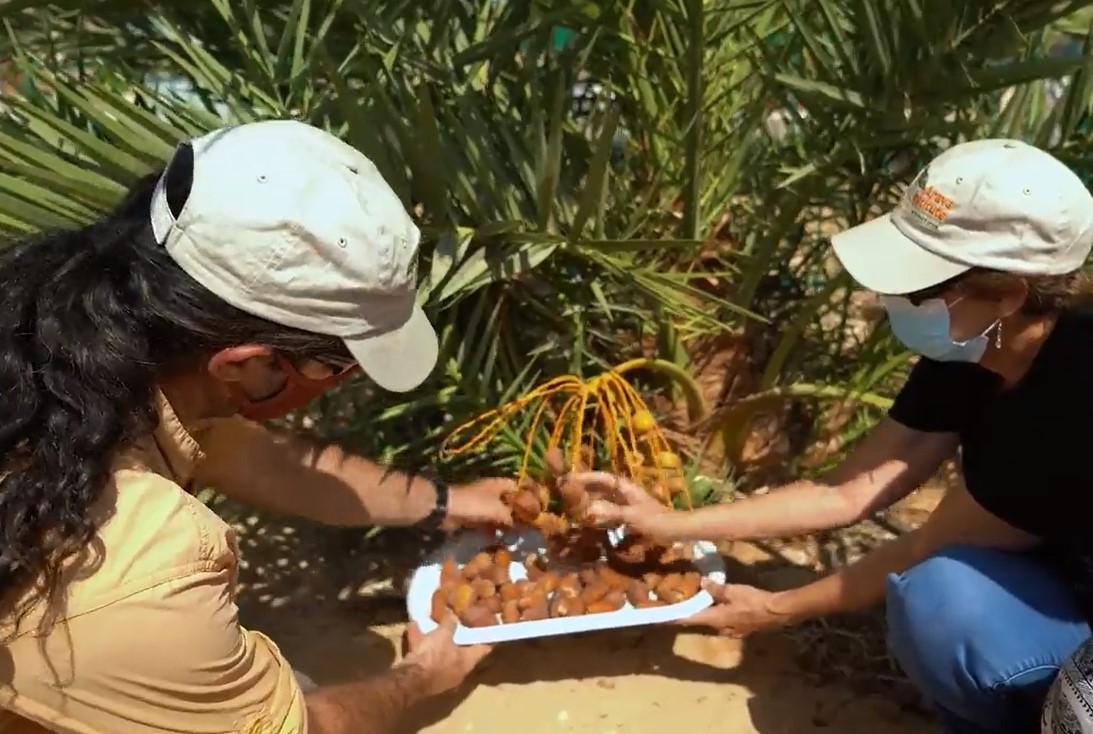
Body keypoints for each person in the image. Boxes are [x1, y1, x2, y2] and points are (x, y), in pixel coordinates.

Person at [0, 120, 515, 734]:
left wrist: (445, 503)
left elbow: (265, 461)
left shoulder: (75, 355)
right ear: (251, 366)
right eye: (342, 365)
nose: (350, 379)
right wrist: (432, 671)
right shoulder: (139, 566)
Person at [575, 138, 1093, 734]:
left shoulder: (1074, 390)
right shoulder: (977, 346)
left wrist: (774, 608)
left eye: (922, 287)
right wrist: (668, 524)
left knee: (946, 604)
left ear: (1008, 294)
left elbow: (921, 548)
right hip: (1062, 577)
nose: (894, 301)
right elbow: (849, 492)